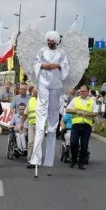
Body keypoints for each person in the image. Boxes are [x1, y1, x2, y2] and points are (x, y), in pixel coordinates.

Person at [30, 31, 69, 177]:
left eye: (52, 40)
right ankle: (36, 157)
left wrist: (57, 65)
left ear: (56, 41)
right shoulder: (42, 51)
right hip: (43, 84)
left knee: (53, 118)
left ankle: (49, 160)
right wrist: (43, 65)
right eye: (48, 40)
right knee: (41, 117)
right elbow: (36, 62)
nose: (49, 42)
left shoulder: (61, 52)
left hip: (56, 84)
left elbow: (65, 66)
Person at [65, 85, 98, 170]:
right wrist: (76, 111)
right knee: (73, 143)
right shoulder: (75, 100)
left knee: (84, 145)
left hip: (86, 126)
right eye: (81, 91)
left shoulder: (92, 101)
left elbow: (96, 113)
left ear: (88, 92)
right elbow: (67, 109)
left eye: (84, 91)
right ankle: (74, 159)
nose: (82, 93)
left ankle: (81, 163)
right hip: (76, 124)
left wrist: (87, 114)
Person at [21, 88, 37, 169]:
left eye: (35, 91)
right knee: (31, 142)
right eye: (32, 91)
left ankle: (36, 159)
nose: (33, 92)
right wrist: (22, 123)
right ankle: (30, 160)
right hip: (31, 124)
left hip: (40, 125)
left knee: (37, 143)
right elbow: (25, 113)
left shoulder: (44, 100)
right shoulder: (31, 100)